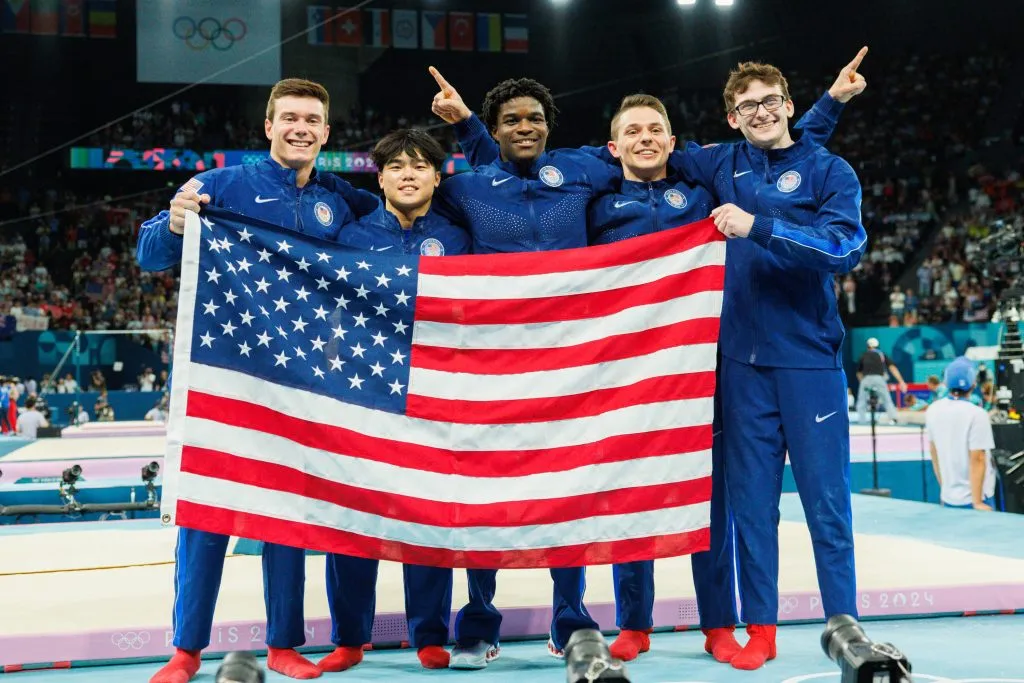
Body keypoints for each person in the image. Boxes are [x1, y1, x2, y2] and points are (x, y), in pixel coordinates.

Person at [432, 49, 864, 667]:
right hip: (623, 376)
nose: (644, 140)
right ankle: (634, 621)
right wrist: (469, 125)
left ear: (674, 140)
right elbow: (519, 167)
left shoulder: (703, 181)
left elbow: (780, 148)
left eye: (655, 131)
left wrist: (829, 107)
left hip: (712, 368)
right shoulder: (594, 189)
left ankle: (723, 621)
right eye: (631, 132)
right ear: (611, 148)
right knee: (629, 494)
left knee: (717, 500)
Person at [137, 77, 378, 683]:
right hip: (224, 377)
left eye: (312, 120)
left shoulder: (341, 198)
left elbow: (403, 216)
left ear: (326, 132)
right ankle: (186, 650)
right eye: (289, 117)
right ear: (268, 127)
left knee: (288, 517)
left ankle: (283, 644)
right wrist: (172, 221)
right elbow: (149, 255)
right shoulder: (220, 186)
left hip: (301, 384)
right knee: (207, 518)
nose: (300, 128)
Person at [669, 54, 868, 670]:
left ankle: (846, 623)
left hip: (808, 362)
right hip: (739, 367)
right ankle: (762, 628)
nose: (760, 112)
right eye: (746, 105)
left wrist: (758, 227)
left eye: (770, 100)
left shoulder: (830, 171)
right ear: (732, 116)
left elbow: (844, 249)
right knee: (752, 508)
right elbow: (642, 150)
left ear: (788, 102)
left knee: (826, 503)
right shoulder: (721, 162)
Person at [427, 70, 617, 668]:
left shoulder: (583, 172)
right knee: (486, 491)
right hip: (493, 365)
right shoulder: (467, 188)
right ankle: (480, 616)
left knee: (567, 492)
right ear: (495, 129)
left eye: (534, 117)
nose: (525, 127)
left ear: (549, 123)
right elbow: (393, 193)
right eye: (512, 120)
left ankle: (570, 614)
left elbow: (660, 163)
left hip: (572, 361)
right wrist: (463, 124)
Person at [317, 129, 469, 673]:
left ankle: (429, 633)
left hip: (436, 394)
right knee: (354, 519)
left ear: (436, 176)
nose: (408, 174)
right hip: (363, 393)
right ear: (379, 178)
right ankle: (349, 637)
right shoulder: (352, 236)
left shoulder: (458, 237)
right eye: (397, 166)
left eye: (420, 165)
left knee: (428, 517)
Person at [926, 358, 997, 510]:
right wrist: (977, 502)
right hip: (974, 499)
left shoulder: (933, 410)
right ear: (974, 385)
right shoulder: (977, 414)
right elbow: (978, 458)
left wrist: (945, 489)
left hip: (949, 497)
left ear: (945, 383)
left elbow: (934, 452)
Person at [855, 337, 907, 424]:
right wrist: (901, 381)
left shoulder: (863, 355)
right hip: (879, 379)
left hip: (866, 379)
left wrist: (863, 383)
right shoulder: (881, 354)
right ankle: (893, 419)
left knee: (862, 401)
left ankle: (862, 421)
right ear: (878, 346)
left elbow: (859, 373)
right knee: (887, 399)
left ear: (868, 346)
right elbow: (892, 368)